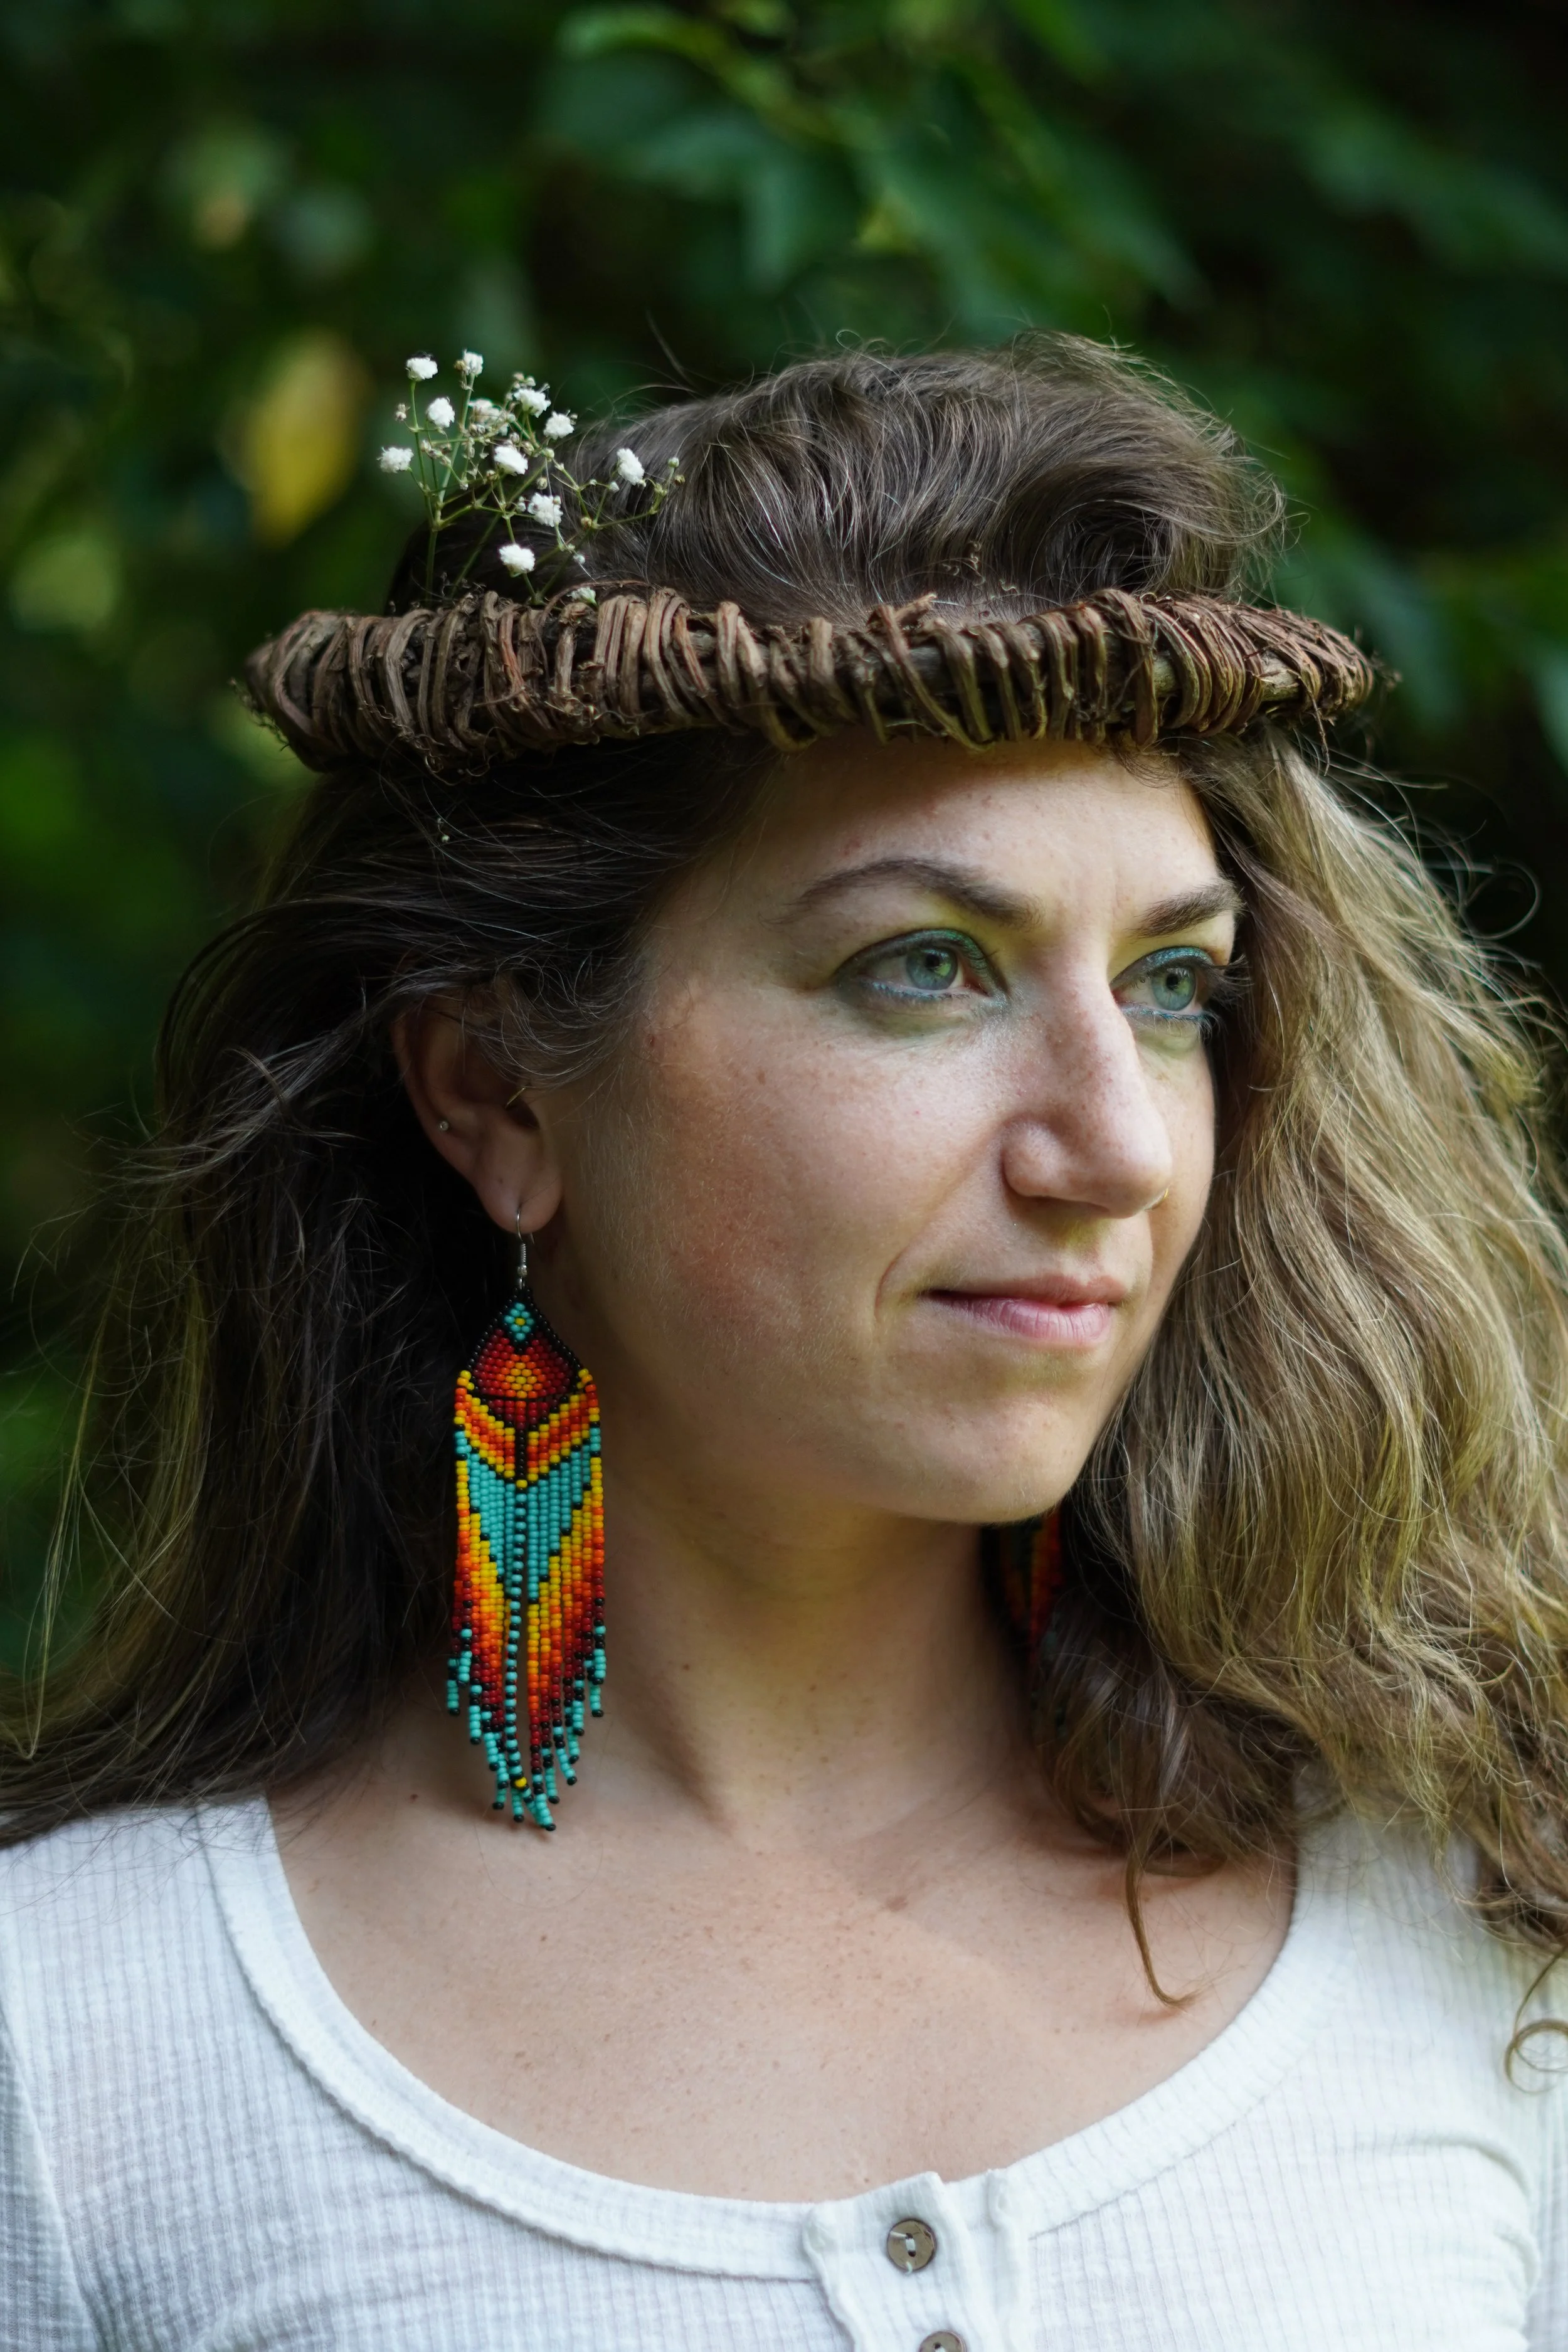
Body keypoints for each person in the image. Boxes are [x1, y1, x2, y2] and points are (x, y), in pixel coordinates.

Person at [3, 338, 1566, 2351]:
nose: (1111, 1144)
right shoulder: (79, 2051)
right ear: (494, 1090)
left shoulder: (1475, 1943)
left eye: (1172, 987)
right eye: (924, 967)